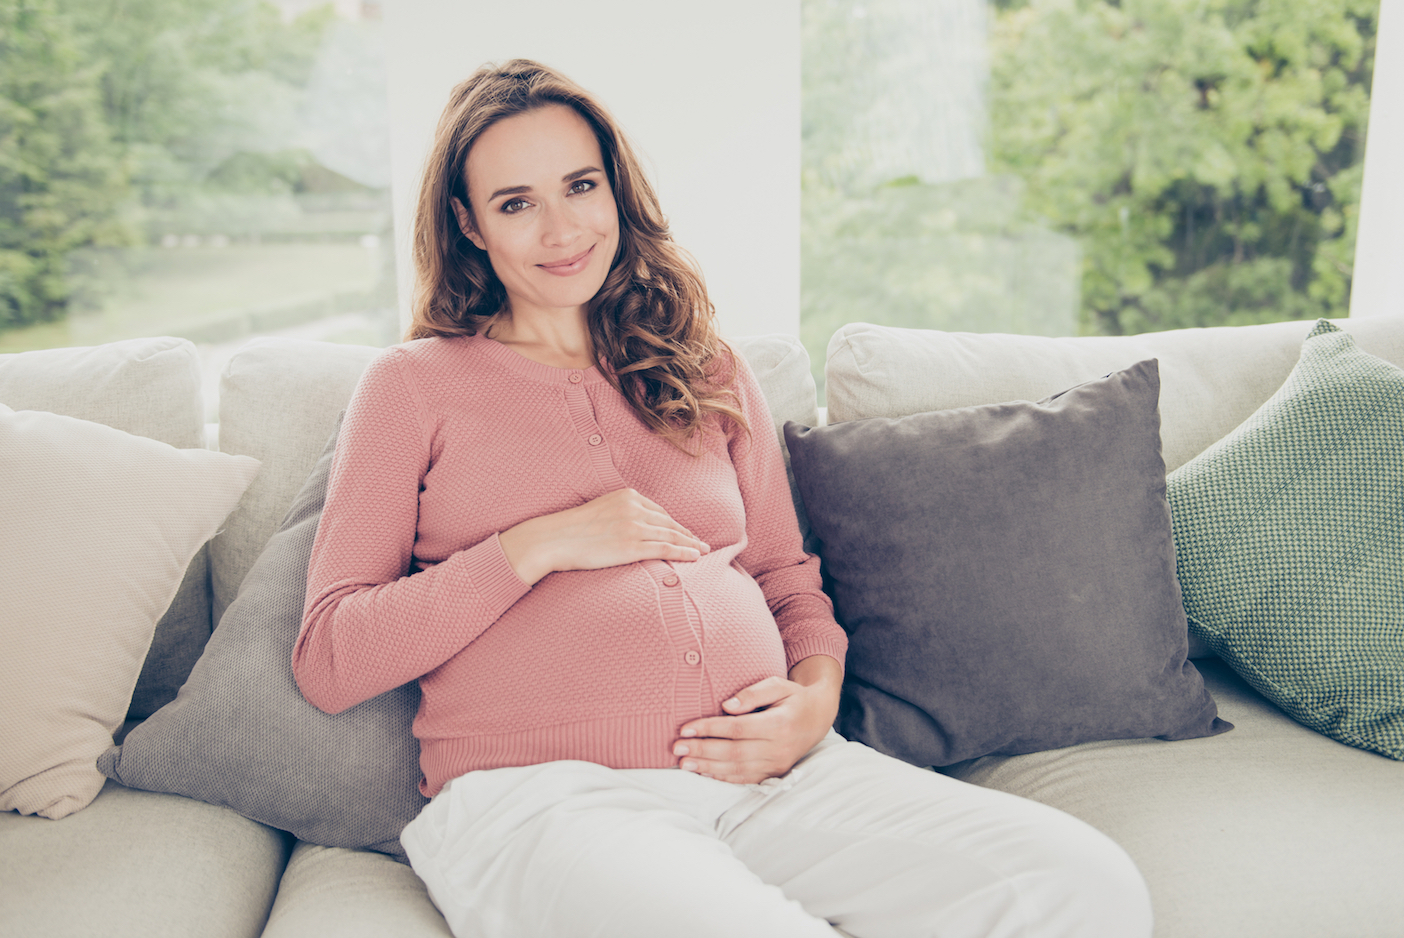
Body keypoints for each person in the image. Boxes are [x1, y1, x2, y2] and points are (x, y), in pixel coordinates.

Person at [293, 59, 1153, 938]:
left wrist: (814, 704)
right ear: (470, 226)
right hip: (548, 803)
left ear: (617, 193)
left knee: (1083, 885)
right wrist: (535, 545)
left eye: (580, 186)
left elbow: (786, 577)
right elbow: (331, 658)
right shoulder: (413, 387)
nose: (561, 229)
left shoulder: (701, 366)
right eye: (516, 203)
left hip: (777, 782)